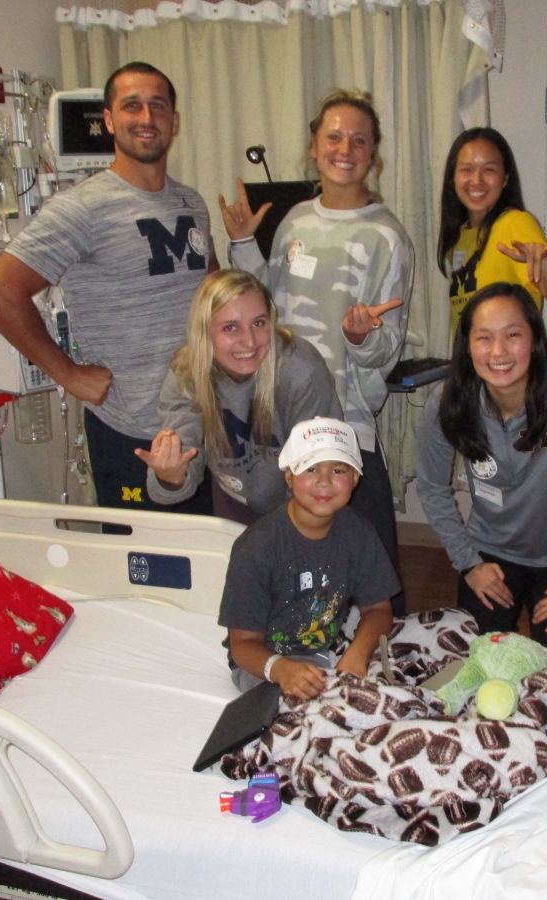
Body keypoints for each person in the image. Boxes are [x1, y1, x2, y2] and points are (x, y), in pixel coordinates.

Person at [0, 62, 217, 515]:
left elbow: (211, 293)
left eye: (158, 106)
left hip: (201, 421)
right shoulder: (82, 208)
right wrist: (67, 373)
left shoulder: (191, 203)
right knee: (143, 557)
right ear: (108, 119)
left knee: (210, 550)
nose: (146, 117)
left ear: (175, 120)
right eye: (132, 106)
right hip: (131, 430)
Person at [219, 89, 413, 614]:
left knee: (367, 575)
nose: (345, 149)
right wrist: (243, 244)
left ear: (373, 153)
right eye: (334, 137)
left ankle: (381, 653)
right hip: (280, 417)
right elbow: (263, 307)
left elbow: (385, 352)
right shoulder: (295, 222)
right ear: (314, 146)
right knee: (292, 566)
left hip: (344, 422)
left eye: (359, 140)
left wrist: (360, 337)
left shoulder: (386, 237)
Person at [416, 283, 547, 656]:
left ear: (534, 341)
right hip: (489, 550)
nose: (498, 351)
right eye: (484, 338)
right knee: (480, 659)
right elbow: (432, 487)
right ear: (467, 345)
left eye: (513, 335)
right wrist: (469, 564)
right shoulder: (447, 401)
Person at [137, 269, 341, 525]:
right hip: (235, 497)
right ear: (205, 333)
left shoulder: (300, 368)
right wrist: (170, 476)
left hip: (305, 502)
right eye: (230, 327)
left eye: (259, 323)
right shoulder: (187, 374)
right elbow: (179, 469)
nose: (250, 342)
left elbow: (319, 470)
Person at [218, 417, 399, 700]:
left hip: (329, 647)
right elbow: (242, 645)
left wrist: (357, 654)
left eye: (338, 470)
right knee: (313, 709)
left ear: (355, 478)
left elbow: (378, 608)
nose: (324, 482)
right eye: (311, 468)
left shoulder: (359, 532)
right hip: (266, 664)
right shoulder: (256, 547)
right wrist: (282, 670)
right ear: (289, 476)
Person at [437, 127, 547, 336]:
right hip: (472, 356)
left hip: (511, 354)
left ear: (506, 178)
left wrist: (544, 262)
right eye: (466, 170)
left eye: (489, 170)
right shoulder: (459, 237)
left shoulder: (515, 223)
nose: (476, 180)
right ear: (453, 178)